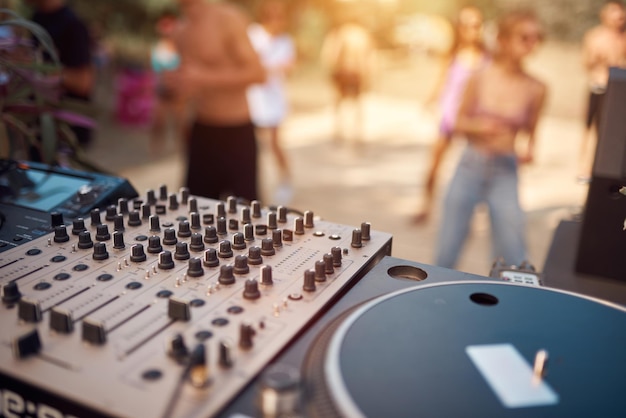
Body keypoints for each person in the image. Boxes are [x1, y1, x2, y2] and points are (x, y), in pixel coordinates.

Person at [435, 10, 547, 270]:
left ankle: (511, 305)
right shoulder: (479, 76)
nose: (532, 44)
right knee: (447, 249)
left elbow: (532, 133)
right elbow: (457, 121)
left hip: (505, 171)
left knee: (513, 254)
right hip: (470, 165)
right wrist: (479, 126)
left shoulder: (536, 88)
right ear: (504, 40)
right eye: (524, 37)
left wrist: (529, 151)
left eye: (537, 38)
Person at [164, 0, 266, 202]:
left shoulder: (227, 18)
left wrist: (204, 77)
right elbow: (188, 86)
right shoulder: (181, 30)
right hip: (201, 131)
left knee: (247, 218)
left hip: (236, 132)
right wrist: (176, 86)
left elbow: (258, 74)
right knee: (195, 214)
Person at [414, 6, 488, 223]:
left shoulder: (486, 58)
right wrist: (429, 101)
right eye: (466, 25)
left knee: (476, 171)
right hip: (449, 117)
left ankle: (471, 215)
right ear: (459, 28)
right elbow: (442, 82)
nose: (471, 30)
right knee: (434, 164)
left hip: (473, 121)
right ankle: (425, 205)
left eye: (476, 25)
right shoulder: (453, 54)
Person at [246, 0, 296, 205]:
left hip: (274, 98)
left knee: (275, 143)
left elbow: (288, 66)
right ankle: (253, 187)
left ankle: (285, 180)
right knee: (252, 146)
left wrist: (265, 68)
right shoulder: (254, 34)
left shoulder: (285, 41)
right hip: (254, 98)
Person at [30, 0, 94, 150]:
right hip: (38, 129)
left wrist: (35, 69)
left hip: (67, 132)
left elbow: (83, 82)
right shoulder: (35, 19)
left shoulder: (73, 25)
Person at [578, 1, 626, 182]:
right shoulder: (594, 36)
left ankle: (603, 168)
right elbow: (585, 64)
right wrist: (596, 59)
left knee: (611, 132)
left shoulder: (623, 38)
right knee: (589, 129)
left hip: (618, 90)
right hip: (598, 86)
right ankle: (585, 167)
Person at [320, 14, 375, 146]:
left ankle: (338, 130)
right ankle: (358, 133)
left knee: (338, 102)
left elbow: (332, 55)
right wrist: (368, 75)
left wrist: (332, 71)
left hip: (343, 71)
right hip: (358, 72)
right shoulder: (363, 34)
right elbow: (369, 57)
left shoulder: (340, 32)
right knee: (358, 103)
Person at [150, 10, 187, 157]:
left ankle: (181, 150)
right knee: (159, 122)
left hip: (178, 91)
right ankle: (157, 150)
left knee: (180, 123)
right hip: (162, 89)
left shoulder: (181, 48)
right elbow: (155, 70)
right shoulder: (158, 47)